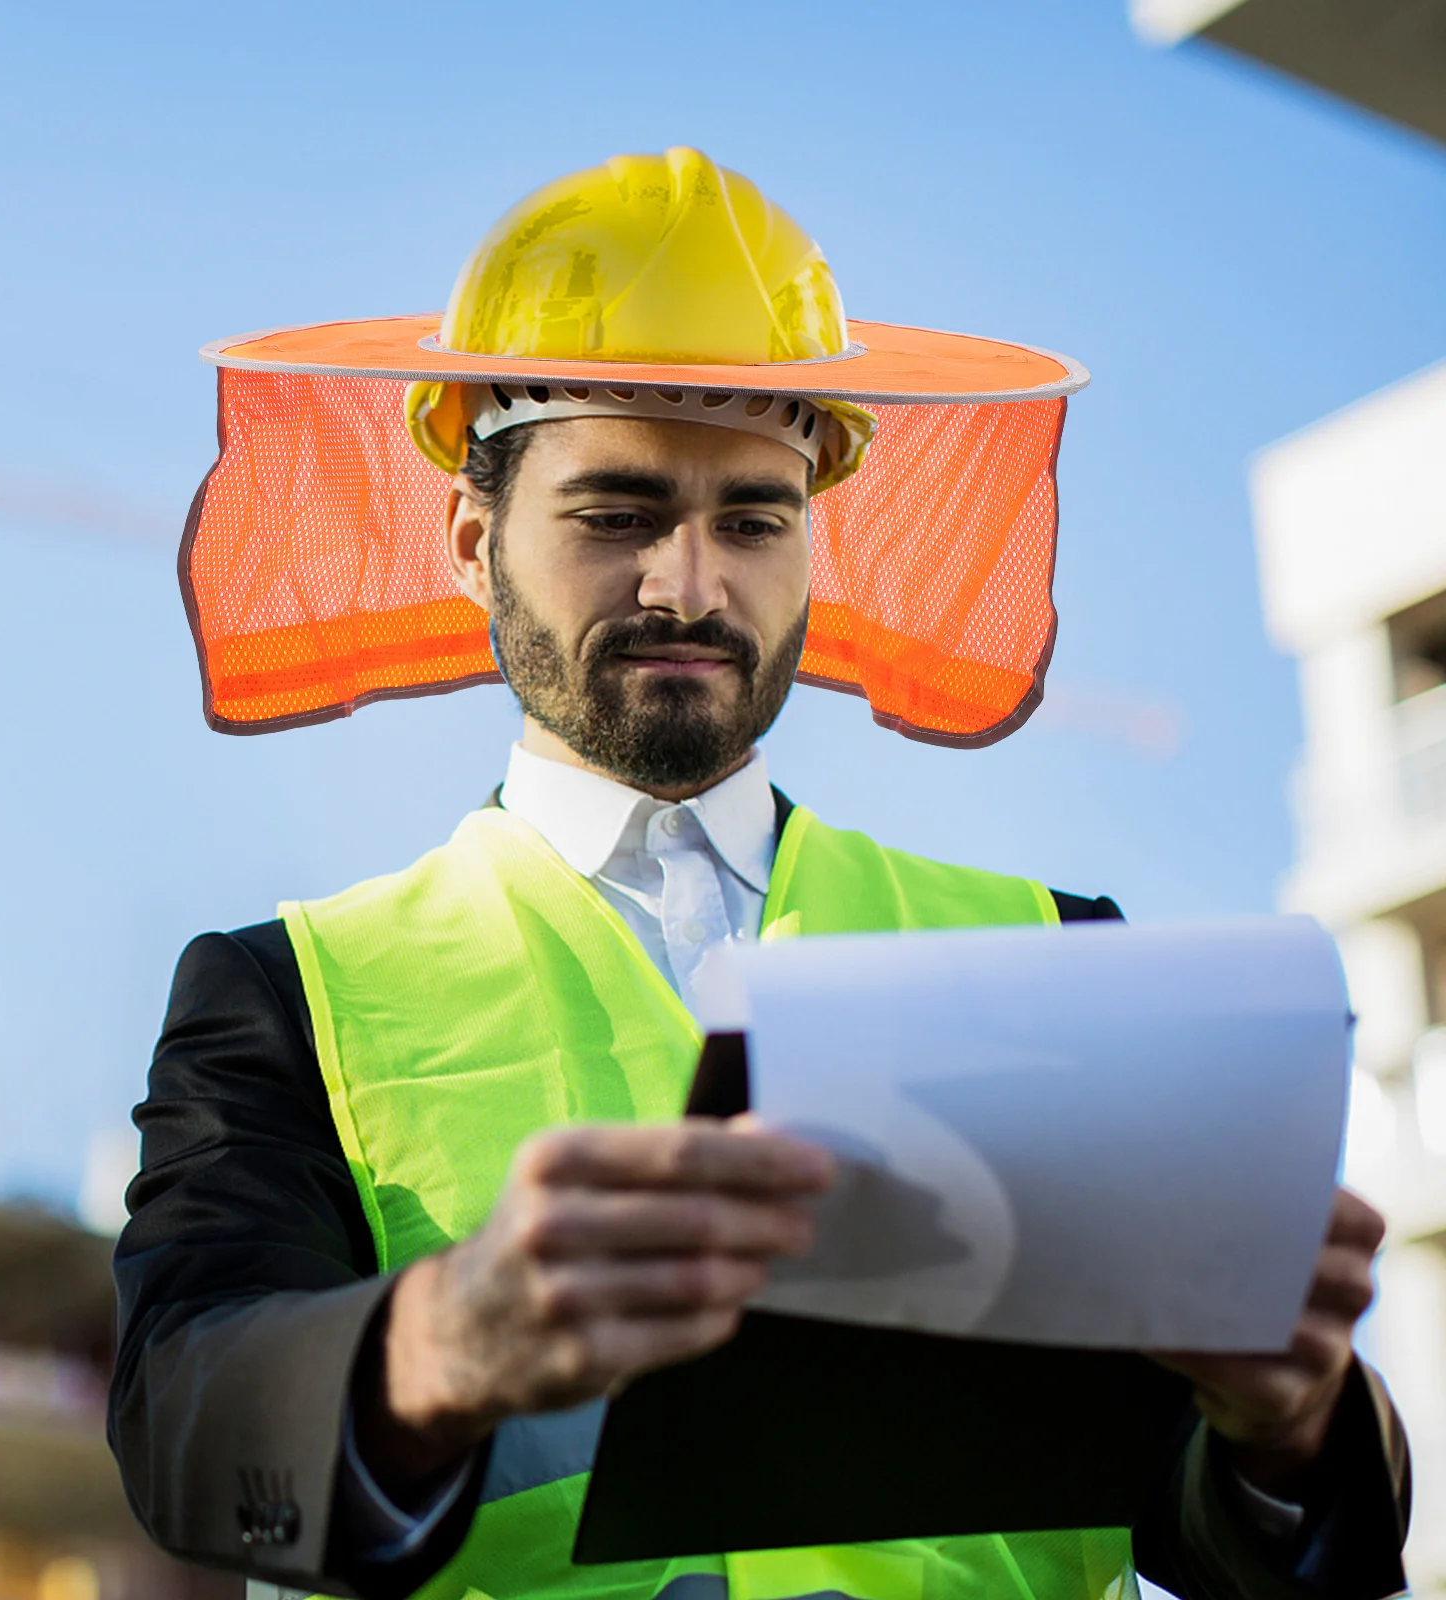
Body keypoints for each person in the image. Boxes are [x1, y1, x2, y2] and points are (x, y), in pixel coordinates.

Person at [111, 149, 1410, 1600]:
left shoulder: (1062, 958)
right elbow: (183, 1417)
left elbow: (1233, 1524)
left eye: (752, 519)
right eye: (615, 516)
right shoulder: (293, 996)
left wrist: (1291, 1426)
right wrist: (441, 1342)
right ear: (474, 544)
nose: (690, 584)